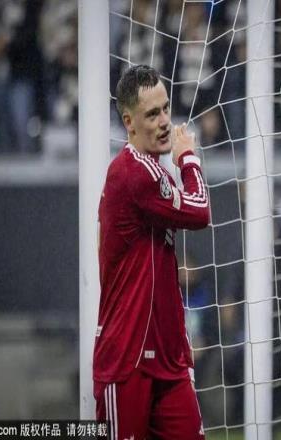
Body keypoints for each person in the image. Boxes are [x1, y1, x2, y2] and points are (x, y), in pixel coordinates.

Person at [93, 65, 209, 439]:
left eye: (166, 109)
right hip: (128, 359)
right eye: (152, 114)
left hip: (167, 357)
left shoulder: (152, 173)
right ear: (129, 122)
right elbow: (200, 211)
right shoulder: (132, 173)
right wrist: (188, 158)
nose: (164, 123)